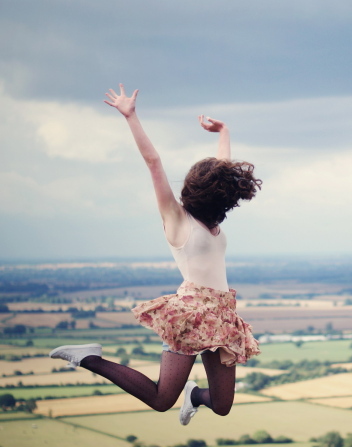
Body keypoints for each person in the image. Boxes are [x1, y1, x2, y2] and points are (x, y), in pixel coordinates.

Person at [49, 84, 261, 425]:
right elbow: (153, 162)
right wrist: (130, 116)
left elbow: (222, 174)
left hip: (222, 315)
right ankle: (89, 358)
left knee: (222, 405)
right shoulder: (177, 219)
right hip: (190, 314)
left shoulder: (212, 219)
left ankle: (194, 395)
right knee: (162, 399)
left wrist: (224, 131)